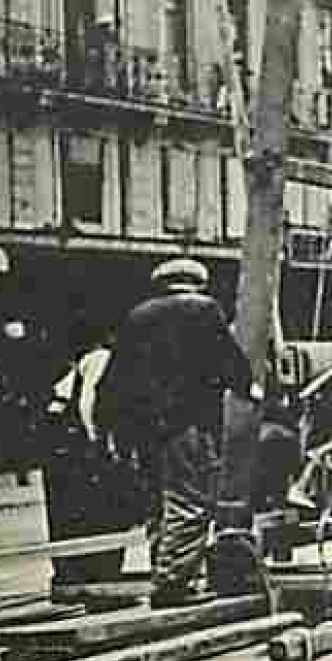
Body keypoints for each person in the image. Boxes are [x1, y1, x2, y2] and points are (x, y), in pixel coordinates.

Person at [96, 259, 261, 608]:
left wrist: (107, 424)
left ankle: (163, 570)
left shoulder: (138, 315)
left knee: (158, 502)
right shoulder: (203, 310)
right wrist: (249, 388)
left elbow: (114, 377)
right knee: (191, 501)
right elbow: (228, 360)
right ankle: (173, 584)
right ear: (198, 282)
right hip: (187, 423)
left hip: (143, 429)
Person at [42, 325, 142, 588]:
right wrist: (100, 443)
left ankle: (70, 575)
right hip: (84, 451)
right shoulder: (101, 358)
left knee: (68, 516)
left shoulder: (76, 365)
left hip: (62, 451)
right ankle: (102, 576)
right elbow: (88, 403)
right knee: (104, 512)